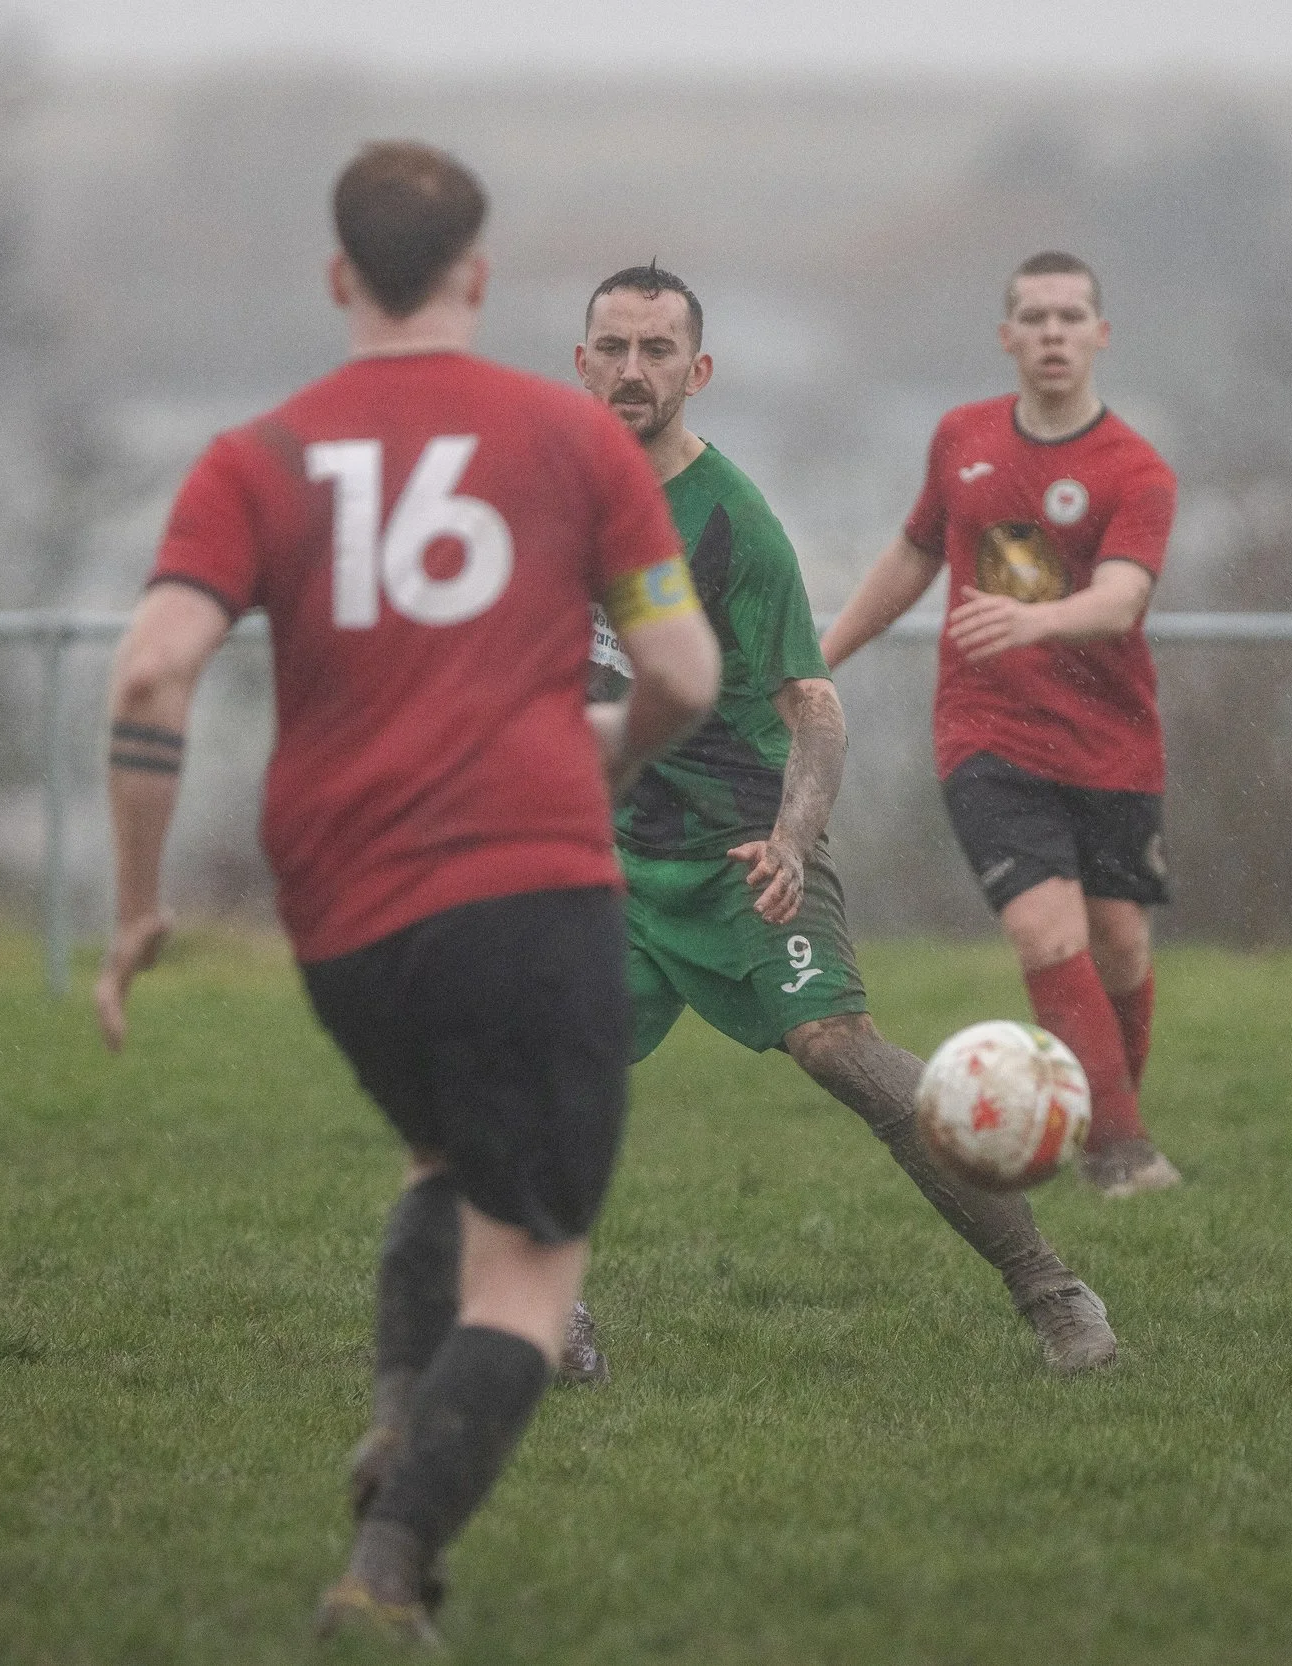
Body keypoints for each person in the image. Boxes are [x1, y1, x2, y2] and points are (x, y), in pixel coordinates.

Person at [91, 144, 719, 1647]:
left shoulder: (256, 457)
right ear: (479, 279)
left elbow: (151, 668)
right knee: (532, 1264)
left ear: (336, 278)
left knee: (446, 1152)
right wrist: (616, 754)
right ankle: (389, 1563)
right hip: (531, 879)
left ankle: (396, 1415)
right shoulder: (577, 445)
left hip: (344, 912)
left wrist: (134, 904)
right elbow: (688, 675)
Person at [564, 263, 1118, 1378]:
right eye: (614, 347)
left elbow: (812, 707)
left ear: (698, 371)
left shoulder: (734, 524)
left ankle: (1053, 1292)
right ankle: (551, 1318)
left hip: (740, 850)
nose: (634, 369)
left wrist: (788, 835)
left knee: (841, 1053)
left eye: (658, 350)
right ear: (581, 362)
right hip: (611, 861)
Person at [822, 250, 1183, 1200]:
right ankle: (1125, 1154)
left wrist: (1035, 620)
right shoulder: (961, 438)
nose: (1054, 333)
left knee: (1118, 943)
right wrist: (820, 657)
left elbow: (1121, 601)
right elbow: (911, 555)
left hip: (1111, 743)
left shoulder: (1135, 469)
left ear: (1100, 334)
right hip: (987, 736)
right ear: (1008, 337)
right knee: (1042, 932)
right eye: (1036, 317)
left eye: (1072, 317)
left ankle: (1098, 1120)